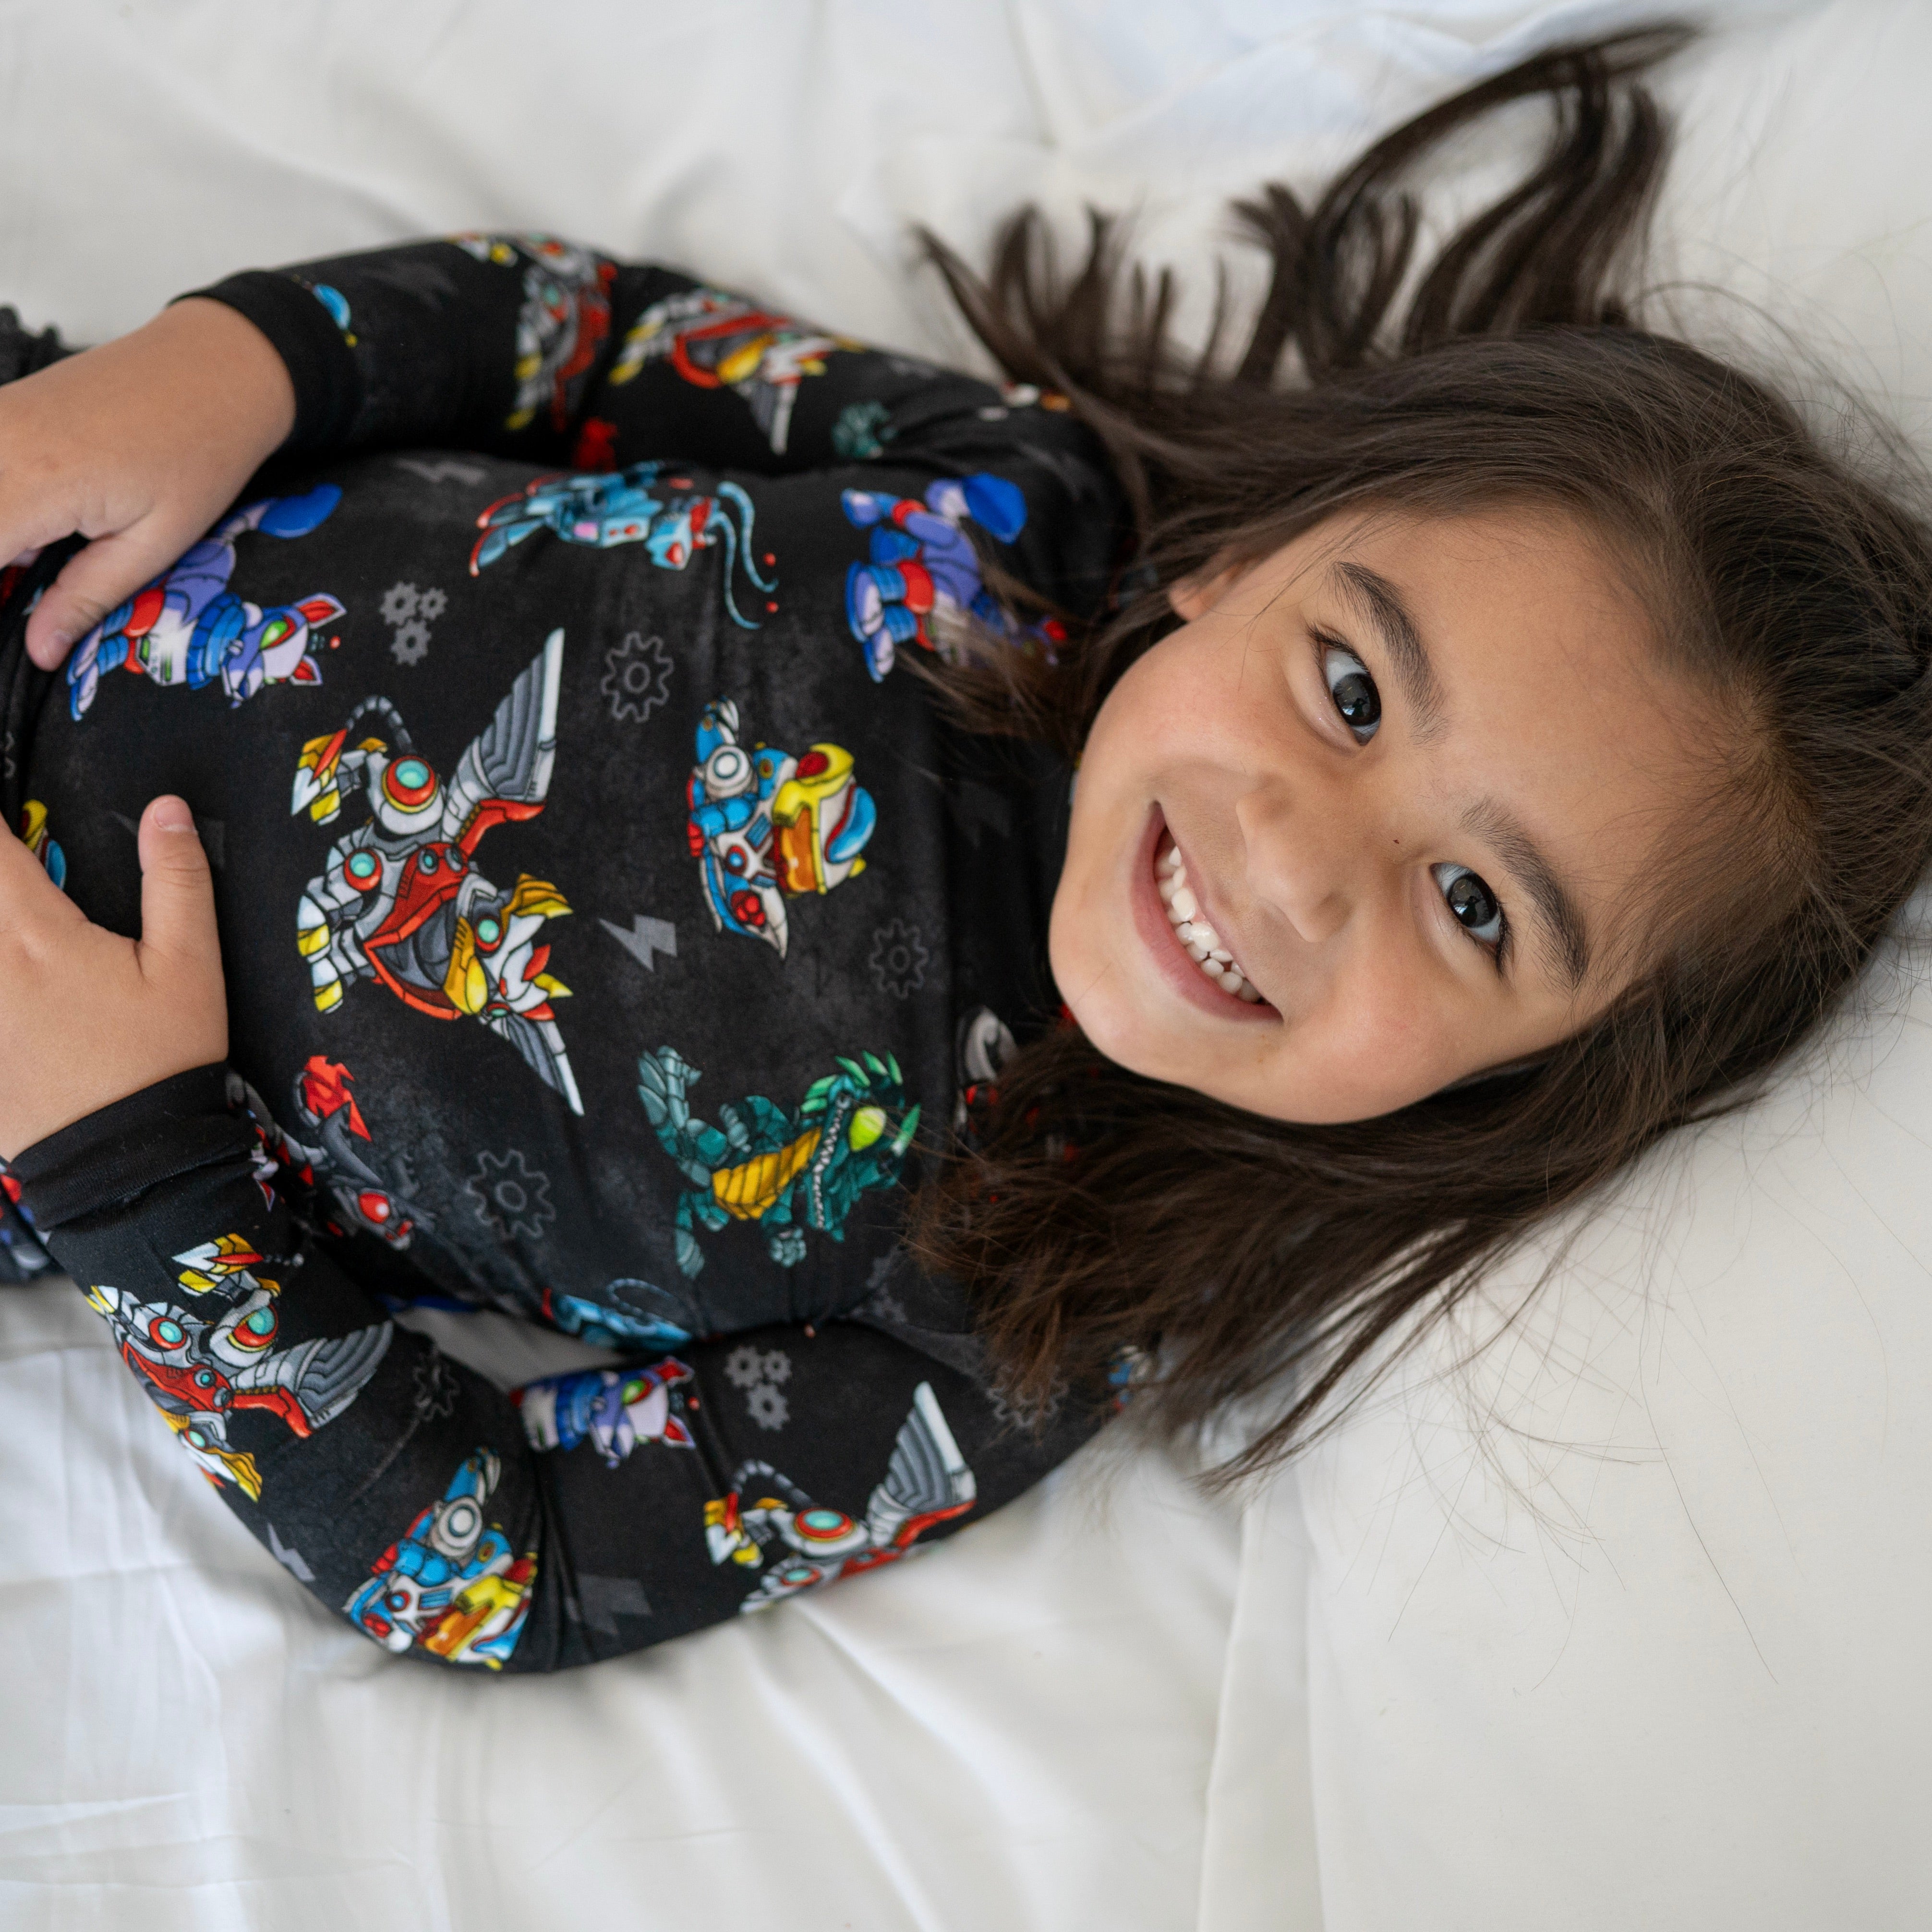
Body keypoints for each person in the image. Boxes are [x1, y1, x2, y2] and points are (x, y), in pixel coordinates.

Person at [0, 29, 1924, 1671]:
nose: (1299, 864)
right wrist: (228, 366)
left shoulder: (1011, 1321)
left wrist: (135, 1176)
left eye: (1477, 903)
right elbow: (576, 340)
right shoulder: (1003, 493)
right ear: (1239, 557)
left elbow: (503, 1566)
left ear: (1534, 1074)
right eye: (1348, 686)